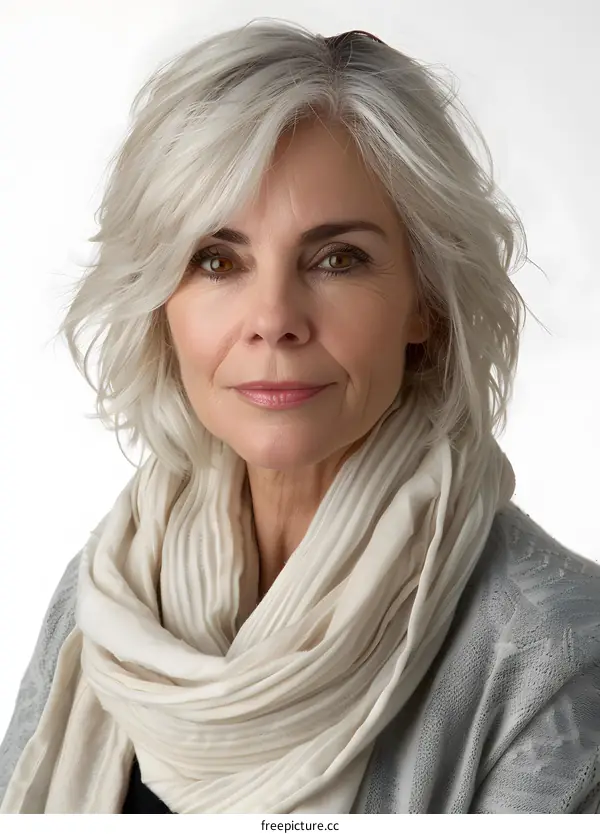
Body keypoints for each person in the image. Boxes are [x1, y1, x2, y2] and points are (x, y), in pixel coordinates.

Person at [1, 19, 599, 815]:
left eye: (337, 258)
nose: (273, 318)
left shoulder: (553, 651)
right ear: (161, 301)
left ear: (425, 301)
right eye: (217, 260)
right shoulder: (108, 595)